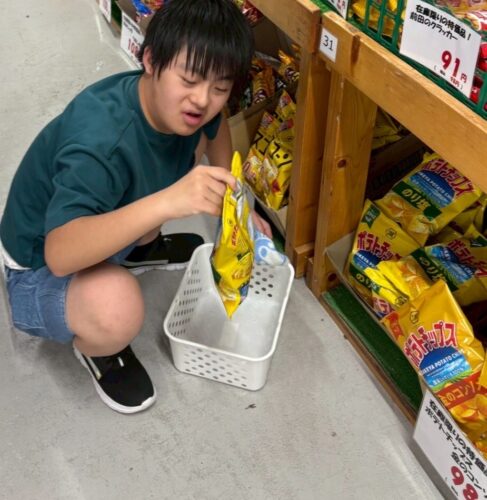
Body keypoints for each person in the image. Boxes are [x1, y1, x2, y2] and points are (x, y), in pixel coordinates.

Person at [0, 0, 271, 414]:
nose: (203, 100)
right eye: (190, 79)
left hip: (95, 221)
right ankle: (99, 349)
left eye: (220, 87)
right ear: (149, 59)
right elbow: (60, 254)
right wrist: (167, 202)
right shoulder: (100, 142)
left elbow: (216, 130)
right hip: (38, 264)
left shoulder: (175, 104)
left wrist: (240, 204)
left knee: (190, 144)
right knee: (118, 308)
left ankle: (137, 247)